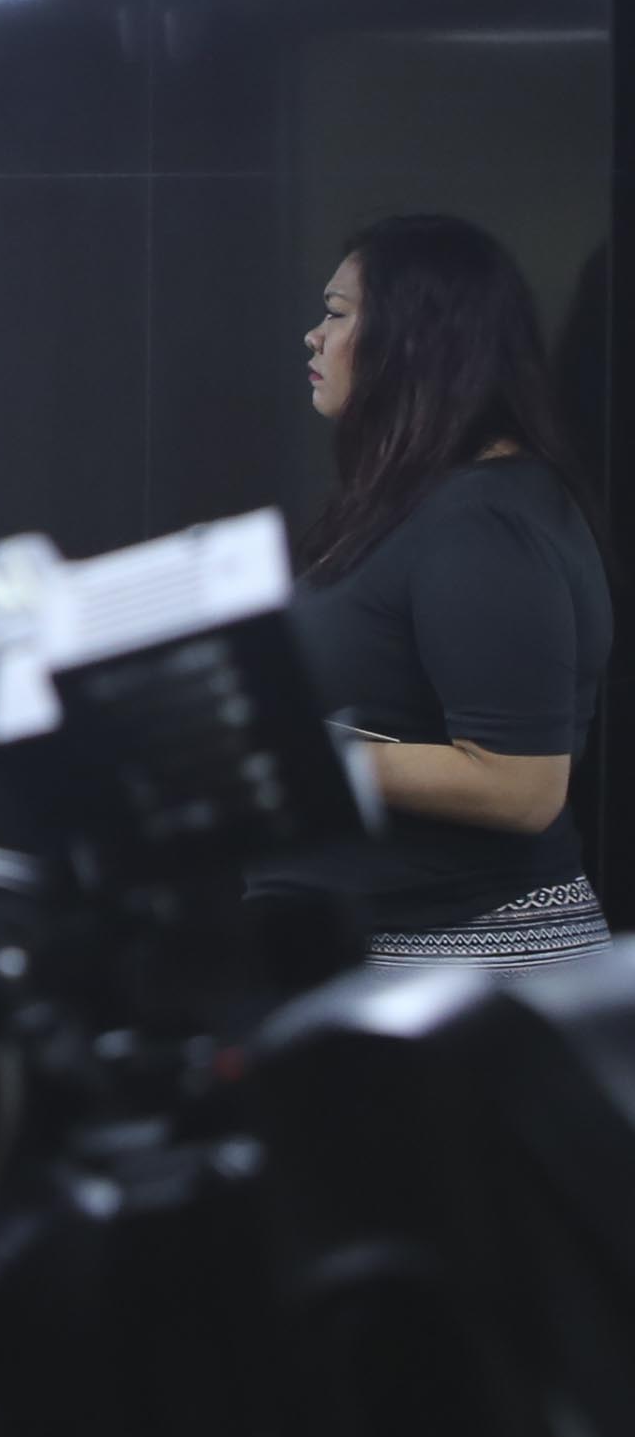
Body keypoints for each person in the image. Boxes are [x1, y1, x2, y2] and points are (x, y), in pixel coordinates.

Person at [265, 215, 614, 965]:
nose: (312, 337)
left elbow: (519, 785)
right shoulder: (419, 501)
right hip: (380, 949)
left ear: (413, 336)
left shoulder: (483, 522)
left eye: (335, 312)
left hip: (469, 958)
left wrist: (291, 746)